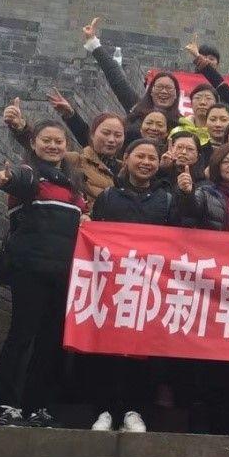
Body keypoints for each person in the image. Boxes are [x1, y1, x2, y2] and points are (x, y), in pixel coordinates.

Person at [0, 120, 87, 427]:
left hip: (63, 274)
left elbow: (84, 221)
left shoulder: (73, 186)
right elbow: (15, 179)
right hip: (29, 270)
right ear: (34, 143)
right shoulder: (29, 175)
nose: (53, 146)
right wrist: (6, 179)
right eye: (47, 140)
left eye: (59, 141)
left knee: (49, 342)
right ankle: (4, 404)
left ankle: (37, 406)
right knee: (21, 335)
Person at [88, 138, 184, 434]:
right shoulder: (108, 197)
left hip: (150, 287)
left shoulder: (166, 200)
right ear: (126, 158)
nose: (146, 162)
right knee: (107, 348)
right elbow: (94, 234)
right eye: (140, 156)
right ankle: (105, 410)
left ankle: (135, 410)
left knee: (143, 351)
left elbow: (178, 240)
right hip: (112, 284)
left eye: (152, 158)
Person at [3, 98, 124, 212]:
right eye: (106, 133)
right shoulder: (76, 160)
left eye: (118, 135)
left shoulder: (126, 170)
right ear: (92, 134)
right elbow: (47, 150)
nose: (111, 139)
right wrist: (20, 127)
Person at [80, 18, 182, 142]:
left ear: (176, 94)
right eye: (159, 87)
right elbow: (117, 79)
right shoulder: (136, 108)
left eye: (169, 88)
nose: (164, 92)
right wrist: (94, 44)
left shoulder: (182, 124)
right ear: (151, 91)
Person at [177, 144, 229, 233]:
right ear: (217, 166)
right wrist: (187, 194)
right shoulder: (206, 193)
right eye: (226, 162)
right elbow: (189, 213)